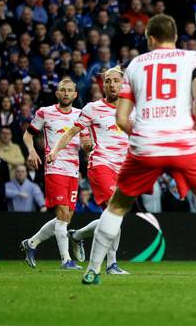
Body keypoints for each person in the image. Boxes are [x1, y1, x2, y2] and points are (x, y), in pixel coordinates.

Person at [82, 14, 196, 286]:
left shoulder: (135, 65)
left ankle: (92, 270)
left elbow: (121, 118)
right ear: (175, 36)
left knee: (116, 206)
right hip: (183, 142)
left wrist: (138, 134)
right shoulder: (193, 58)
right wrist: (195, 128)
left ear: (150, 38)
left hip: (145, 145)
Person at [46, 66, 130, 275]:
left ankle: (78, 236)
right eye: (108, 81)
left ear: (124, 83)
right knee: (115, 211)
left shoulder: (132, 108)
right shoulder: (92, 108)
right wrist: (55, 150)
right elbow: (70, 132)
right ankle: (111, 264)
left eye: (116, 81)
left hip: (124, 169)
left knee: (111, 217)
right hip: (101, 165)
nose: (111, 85)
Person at [20, 78, 83, 270]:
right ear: (57, 94)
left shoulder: (82, 115)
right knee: (62, 213)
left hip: (74, 170)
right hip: (54, 167)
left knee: (65, 218)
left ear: (75, 95)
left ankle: (31, 243)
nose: (65, 93)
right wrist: (31, 150)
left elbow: (87, 141)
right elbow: (28, 134)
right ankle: (66, 261)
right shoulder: (45, 112)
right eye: (62, 90)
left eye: (69, 90)